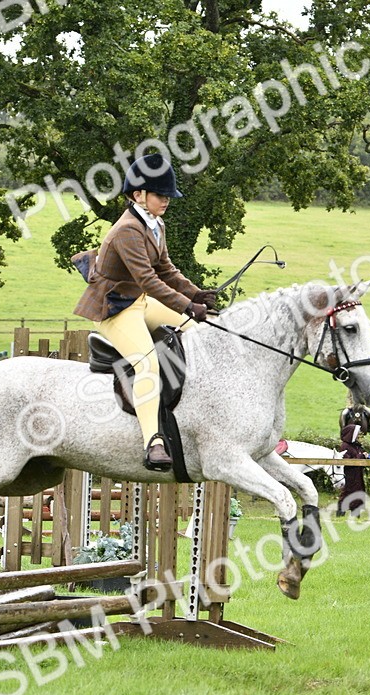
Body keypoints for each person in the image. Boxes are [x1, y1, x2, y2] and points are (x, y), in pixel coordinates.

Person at [73, 154, 218, 471]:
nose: (166, 201)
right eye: (160, 195)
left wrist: (196, 294)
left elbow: (166, 269)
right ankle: (153, 441)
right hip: (115, 307)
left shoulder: (155, 224)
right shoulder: (127, 231)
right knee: (148, 364)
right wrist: (186, 304)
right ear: (138, 194)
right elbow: (149, 281)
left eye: (167, 195)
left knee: (198, 332)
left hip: (140, 300)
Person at [336, 424, 367, 517]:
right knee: (347, 493)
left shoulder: (356, 446)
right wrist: (362, 456)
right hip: (349, 475)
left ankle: (356, 515)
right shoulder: (345, 446)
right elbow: (347, 461)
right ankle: (340, 514)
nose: (358, 435)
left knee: (358, 494)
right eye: (357, 433)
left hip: (357, 475)